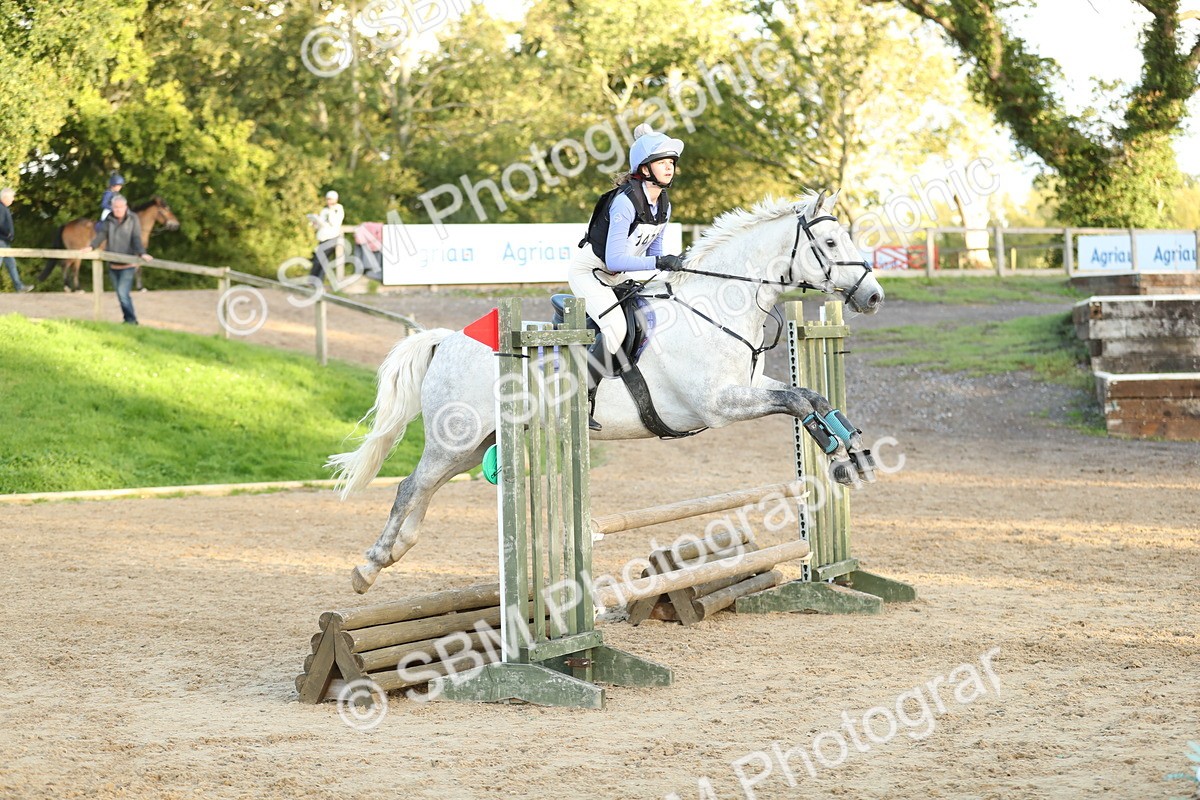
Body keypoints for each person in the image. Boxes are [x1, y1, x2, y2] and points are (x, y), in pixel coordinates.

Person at [570, 123, 686, 430]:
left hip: (619, 276)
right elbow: (614, 259)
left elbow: (654, 252)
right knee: (616, 328)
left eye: (672, 163)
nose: (669, 168)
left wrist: (675, 266)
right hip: (591, 273)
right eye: (663, 162)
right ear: (644, 168)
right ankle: (581, 399)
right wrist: (660, 260)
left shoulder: (663, 204)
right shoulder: (624, 202)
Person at [83, 195, 153, 324]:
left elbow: (136, 238)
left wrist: (142, 253)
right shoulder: (108, 220)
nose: (118, 210)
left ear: (125, 207)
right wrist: (91, 247)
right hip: (113, 265)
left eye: (120, 207)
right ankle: (128, 320)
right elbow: (101, 236)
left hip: (128, 265)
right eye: (115, 207)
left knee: (122, 293)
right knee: (121, 295)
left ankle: (132, 320)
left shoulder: (133, 219)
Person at [0, 187, 33, 292]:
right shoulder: (1, 208)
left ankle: (19, 287)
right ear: (5, 197)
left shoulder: (4, 208)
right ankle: (19, 287)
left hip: (4, 242)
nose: (13, 199)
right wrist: (8, 233)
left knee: (12, 264)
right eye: (11, 197)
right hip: (1, 241)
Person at [309, 190, 345, 282]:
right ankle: (314, 281)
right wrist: (315, 222)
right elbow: (321, 225)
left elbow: (335, 223)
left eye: (330, 199)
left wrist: (331, 211)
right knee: (319, 260)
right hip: (323, 238)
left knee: (321, 259)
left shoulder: (338, 209)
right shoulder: (324, 210)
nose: (328, 201)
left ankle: (317, 281)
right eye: (327, 199)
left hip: (332, 238)